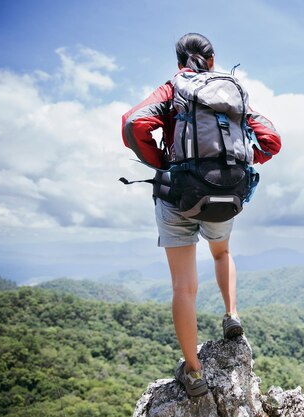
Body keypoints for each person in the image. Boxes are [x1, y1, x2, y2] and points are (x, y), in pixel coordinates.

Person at [121, 33, 281, 398]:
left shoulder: (173, 90)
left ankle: (193, 373)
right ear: (213, 59)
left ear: (180, 61)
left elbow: (134, 124)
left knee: (184, 287)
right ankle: (232, 315)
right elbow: (271, 139)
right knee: (222, 252)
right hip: (226, 196)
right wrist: (247, 161)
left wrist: (162, 163)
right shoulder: (234, 92)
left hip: (178, 196)